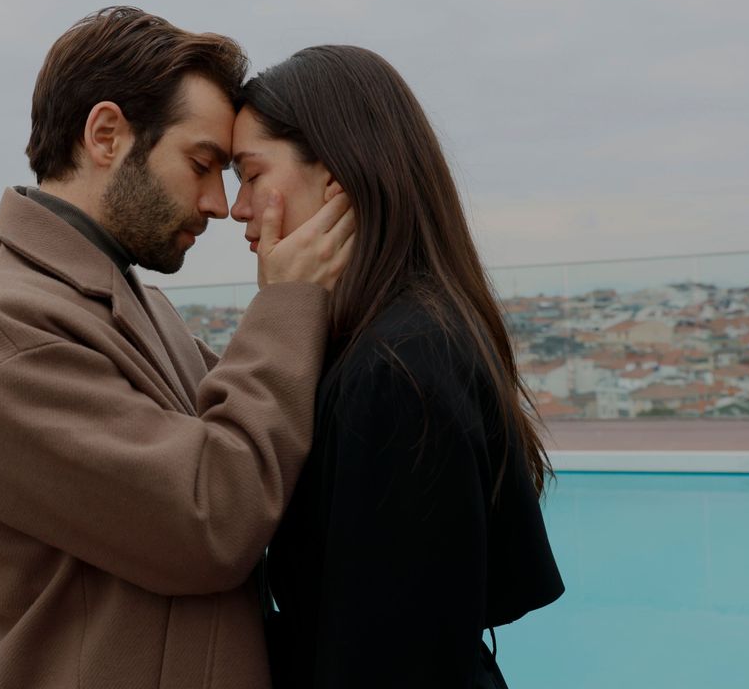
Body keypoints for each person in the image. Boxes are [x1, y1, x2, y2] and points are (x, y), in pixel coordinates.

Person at [0, 9, 354, 689]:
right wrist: (290, 302)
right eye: (202, 164)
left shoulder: (126, 300)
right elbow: (213, 520)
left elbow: (265, 430)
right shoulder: (2, 331)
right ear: (106, 135)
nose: (218, 203)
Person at [229, 45, 565, 688]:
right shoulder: (405, 334)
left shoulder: (397, 369)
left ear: (337, 177)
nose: (237, 208)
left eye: (249, 174)